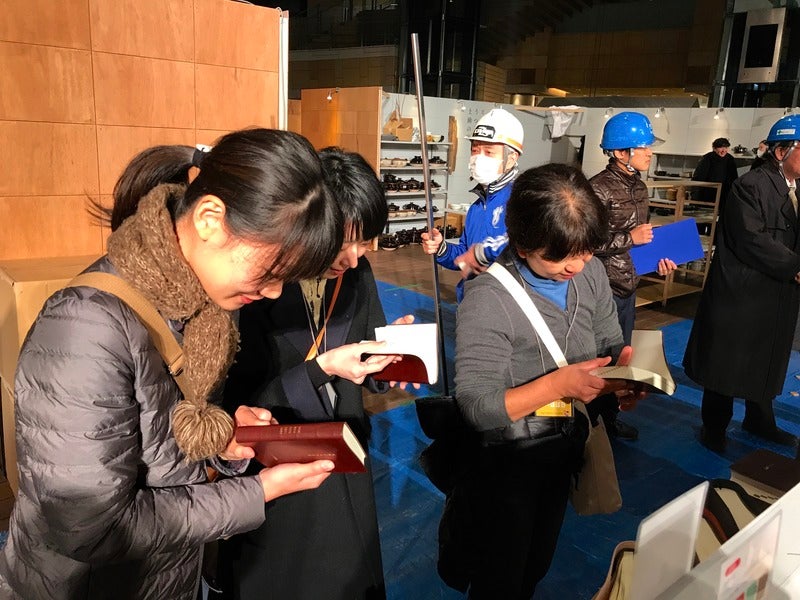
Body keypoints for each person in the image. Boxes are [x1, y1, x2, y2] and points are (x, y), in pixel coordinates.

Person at [0, 129, 368, 599]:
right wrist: (256, 494)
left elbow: (159, 446)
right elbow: (90, 530)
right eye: (271, 271)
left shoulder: (203, 310)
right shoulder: (85, 329)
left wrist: (222, 440)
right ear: (210, 218)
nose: (275, 292)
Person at [440, 163, 645, 599]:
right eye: (560, 256)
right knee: (500, 577)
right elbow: (477, 406)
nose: (576, 265)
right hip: (507, 461)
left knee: (536, 564)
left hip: (564, 446)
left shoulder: (590, 274)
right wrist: (559, 386)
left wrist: (624, 380)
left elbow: (609, 340)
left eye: (585, 251)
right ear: (523, 242)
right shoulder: (488, 299)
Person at [216, 147, 411, 600]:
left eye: (366, 242)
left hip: (346, 460)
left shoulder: (358, 276)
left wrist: (387, 363)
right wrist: (321, 369)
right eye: (343, 242)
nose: (354, 257)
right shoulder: (255, 286)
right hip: (278, 467)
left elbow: (366, 354)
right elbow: (234, 406)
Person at [683, 114, 800, 453]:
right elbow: (752, 239)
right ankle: (714, 427)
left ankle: (759, 419)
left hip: (776, 294)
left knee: (766, 359)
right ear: (781, 151)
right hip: (743, 293)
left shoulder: (794, 187)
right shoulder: (751, 186)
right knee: (727, 363)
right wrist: (795, 267)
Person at [590, 111, 677, 441]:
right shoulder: (597, 189)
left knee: (620, 358)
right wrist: (631, 238)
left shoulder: (639, 187)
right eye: (643, 147)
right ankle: (590, 424)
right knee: (599, 360)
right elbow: (585, 242)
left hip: (628, 286)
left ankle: (609, 420)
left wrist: (657, 259)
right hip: (602, 289)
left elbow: (642, 239)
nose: (649, 153)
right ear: (619, 152)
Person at [421, 107, 523, 301]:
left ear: (511, 158)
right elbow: (464, 256)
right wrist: (442, 248)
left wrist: (479, 254)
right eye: (475, 150)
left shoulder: (522, 201)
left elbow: (517, 247)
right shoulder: (477, 207)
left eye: (489, 152)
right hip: (471, 301)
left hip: (504, 304)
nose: (478, 158)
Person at [692, 137, 739, 214]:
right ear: (714, 148)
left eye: (726, 148)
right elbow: (698, 177)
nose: (724, 150)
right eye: (721, 148)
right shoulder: (707, 158)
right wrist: (695, 195)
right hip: (707, 195)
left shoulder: (730, 159)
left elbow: (734, 178)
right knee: (704, 216)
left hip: (724, 195)